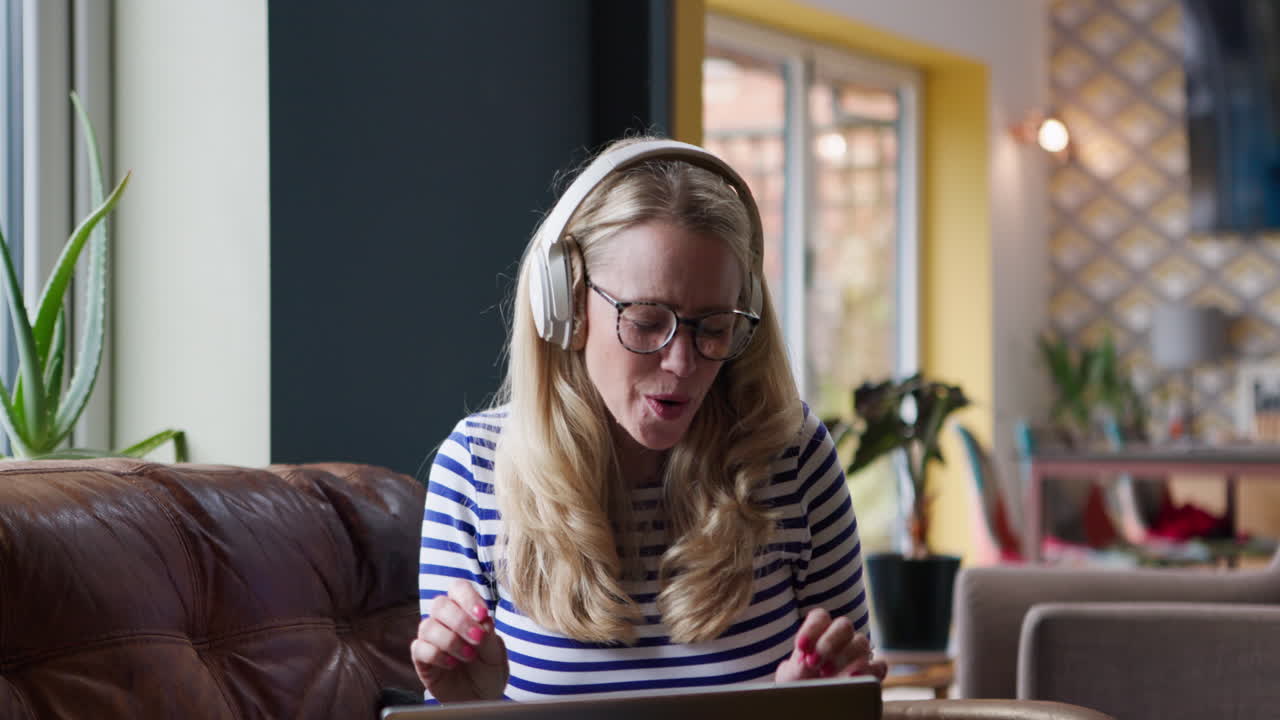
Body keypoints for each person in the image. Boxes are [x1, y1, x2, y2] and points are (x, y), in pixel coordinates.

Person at [412, 137, 885, 703]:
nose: (683, 363)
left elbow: (854, 697)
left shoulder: (794, 457)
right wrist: (471, 711)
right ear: (565, 306)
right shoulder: (475, 470)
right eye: (644, 320)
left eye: (713, 326)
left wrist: (809, 712)